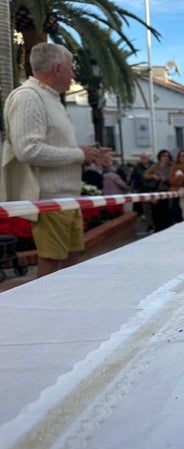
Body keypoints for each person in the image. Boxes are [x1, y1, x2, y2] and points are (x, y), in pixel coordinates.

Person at [0, 42, 111, 277]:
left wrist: (89, 155)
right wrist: (80, 154)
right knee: (52, 265)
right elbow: (28, 150)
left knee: (70, 261)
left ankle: (66, 309)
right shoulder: (28, 97)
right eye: (71, 68)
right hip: (49, 198)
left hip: (66, 197)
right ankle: (44, 312)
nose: (74, 75)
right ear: (58, 68)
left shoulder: (50, 99)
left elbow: (54, 148)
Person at [143, 149, 172, 232]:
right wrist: (153, 176)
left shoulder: (170, 167)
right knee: (155, 212)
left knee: (165, 212)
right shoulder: (155, 166)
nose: (165, 158)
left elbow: (172, 179)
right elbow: (145, 175)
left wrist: (166, 179)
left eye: (167, 156)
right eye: (164, 156)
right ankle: (157, 228)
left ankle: (165, 228)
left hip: (166, 191)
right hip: (155, 191)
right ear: (160, 157)